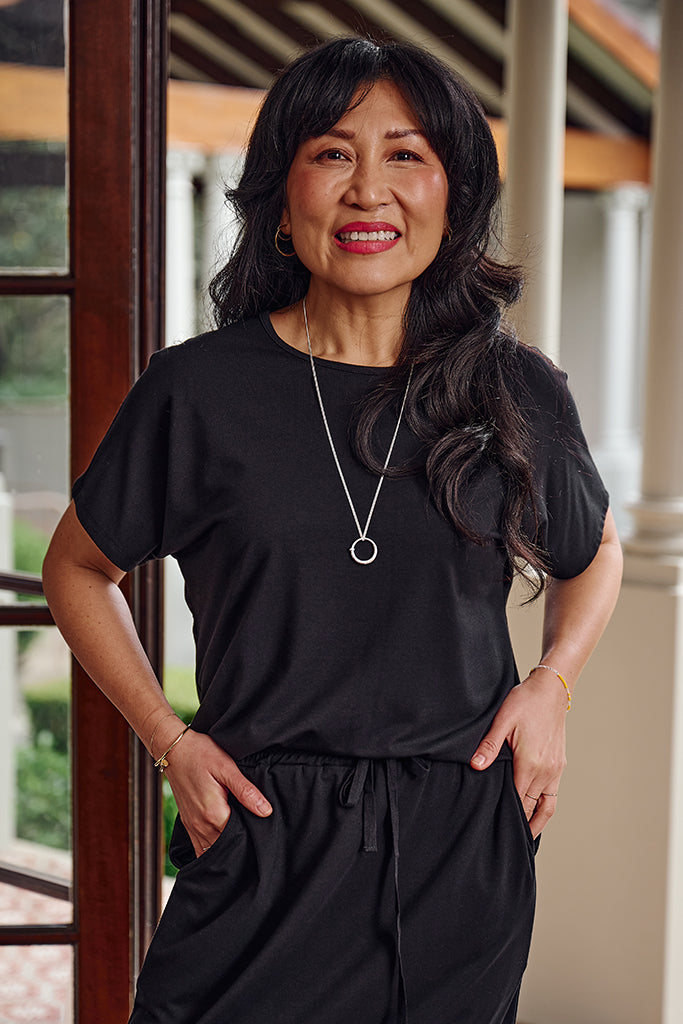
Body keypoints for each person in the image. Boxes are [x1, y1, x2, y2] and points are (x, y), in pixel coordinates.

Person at [42, 36, 623, 1024]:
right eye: (330, 153)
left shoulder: (511, 389)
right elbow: (76, 568)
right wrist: (168, 740)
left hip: (458, 848)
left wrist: (550, 686)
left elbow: (593, 549)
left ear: (451, 194)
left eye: (404, 155)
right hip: (265, 835)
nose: (368, 190)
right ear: (281, 197)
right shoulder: (199, 393)